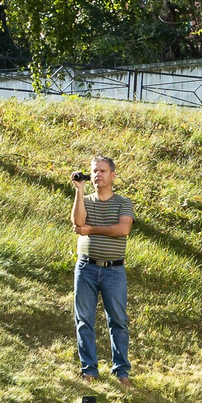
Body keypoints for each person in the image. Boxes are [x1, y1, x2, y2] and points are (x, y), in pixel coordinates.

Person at [73, 153, 135, 384]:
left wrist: (92, 230)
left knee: (118, 320)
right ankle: (89, 369)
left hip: (114, 270)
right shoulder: (86, 199)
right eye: (94, 171)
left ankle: (122, 372)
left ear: (112, 175)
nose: (97, 175)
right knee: (84, 320)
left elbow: (123, 230)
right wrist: (79, 191)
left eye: (102, 171)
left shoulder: (123, 202)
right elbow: (79, 223)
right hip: (86, 267)